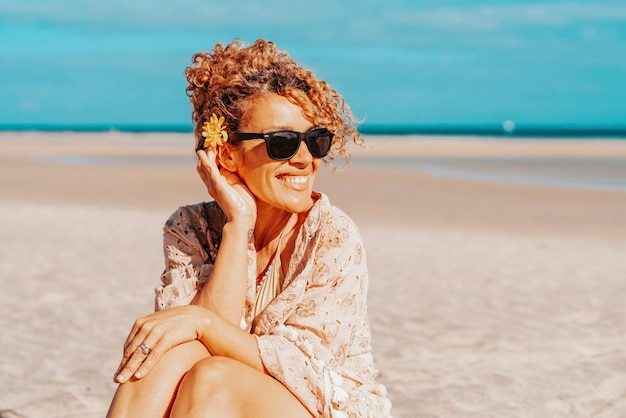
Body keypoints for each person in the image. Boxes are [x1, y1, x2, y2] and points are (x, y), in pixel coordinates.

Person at [107, 38, 392, 418]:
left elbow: (302, 371)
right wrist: (238, 224)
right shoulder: (190, 227)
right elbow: (184, 339)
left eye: (315, 140)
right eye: (282, 143)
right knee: (165, 353)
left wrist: (202, 322)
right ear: (226, 152)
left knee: (214, 376)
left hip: (323, 407)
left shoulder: (332, 235)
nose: (305, 158)